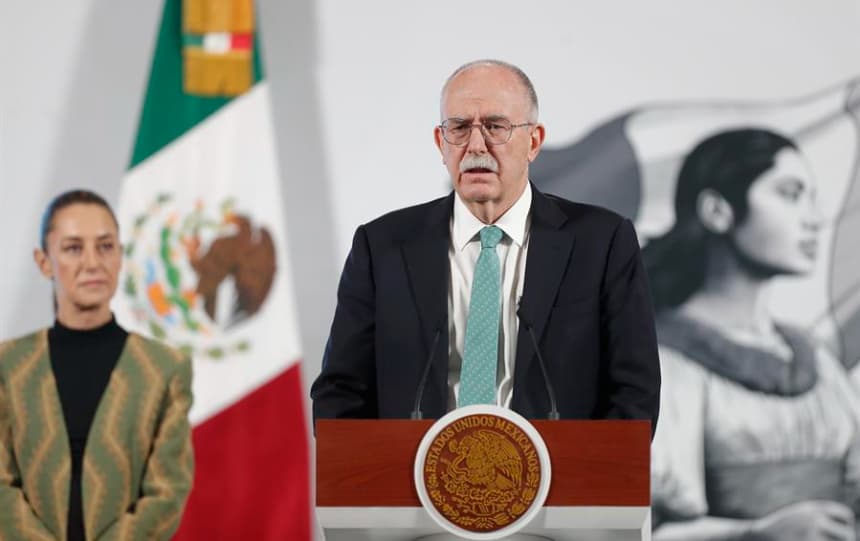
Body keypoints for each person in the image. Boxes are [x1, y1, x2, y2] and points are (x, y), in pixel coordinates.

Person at [311, 60, 660, 428]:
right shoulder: (383, 247)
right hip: (412, 479)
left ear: (534, 141)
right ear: (440, 143)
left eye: (495, 127)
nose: (476, 145)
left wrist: (582, 478)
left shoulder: (601, 244)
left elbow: (635, 391)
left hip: (560, 479)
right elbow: (341, 391)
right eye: (459, 128)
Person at [646, 129, 860, 540]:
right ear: (717, 211)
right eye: (790, 193)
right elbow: (635, 528)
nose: (813, 219)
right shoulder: (662, 362)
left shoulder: (813, 360)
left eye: (812, 198)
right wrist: (756, 532)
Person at [0, 190, 194, 541]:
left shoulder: (164, 369)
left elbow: (167, 492)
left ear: (120, 256)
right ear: (44, 261)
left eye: (105, 246)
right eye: (73, 248)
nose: (92, 263)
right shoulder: (8, 366)